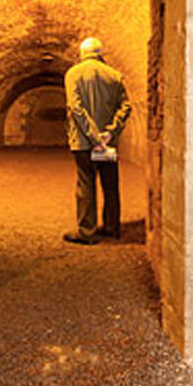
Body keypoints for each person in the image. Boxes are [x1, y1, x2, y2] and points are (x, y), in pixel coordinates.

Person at [63, 37, 131, 245]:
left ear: (82, 53)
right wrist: (109, 133)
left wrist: (93, 137)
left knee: (86, 183)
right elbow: (125, 107)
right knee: (110, 184)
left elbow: (77, 108)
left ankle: (87, 231)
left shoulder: (73, 74)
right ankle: (111, 227)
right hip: (107, 142)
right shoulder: (114, 76)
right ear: (100, 53)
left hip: (83, 142)